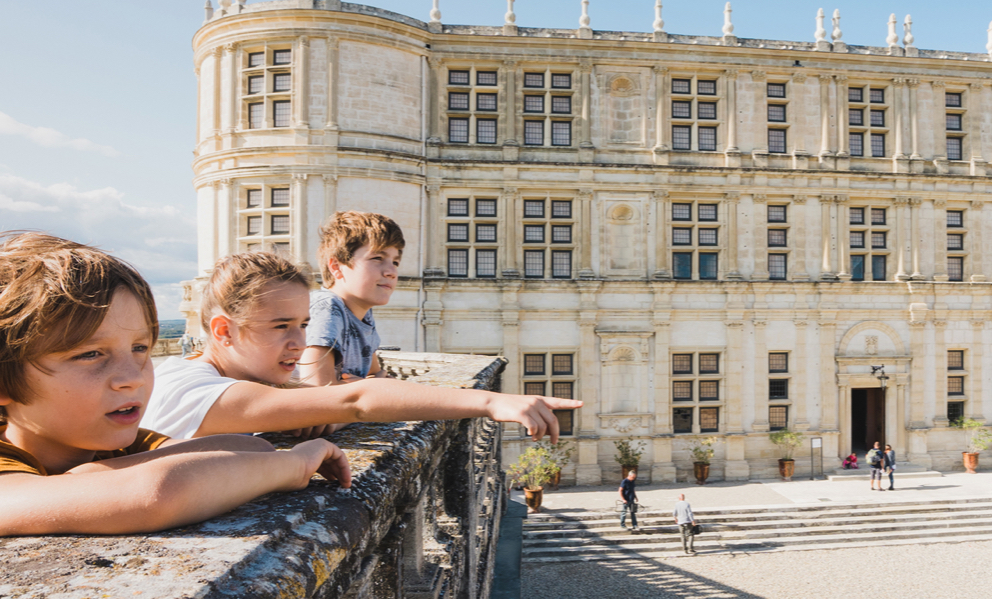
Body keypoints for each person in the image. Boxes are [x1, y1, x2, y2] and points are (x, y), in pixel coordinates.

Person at [0, 232, 351, 537]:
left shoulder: (115, 446)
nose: (134, 376)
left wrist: (92, 473)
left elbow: (245, 450)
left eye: (139, 349)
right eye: (90, 354)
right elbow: (158, 494)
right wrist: (295, 466)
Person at [142, 252, 580, 441]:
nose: (299, 343)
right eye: (280, 326)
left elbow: (335, 398)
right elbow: (355, 398)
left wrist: (313, 411)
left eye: (303, 324)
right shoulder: (190, 387)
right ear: (223, 331)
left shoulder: (248, 380)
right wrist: (490, 402)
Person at [298, 212, 398, 388]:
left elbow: (375, 374)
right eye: (377, 258)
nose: (391, 271)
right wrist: (371, 387)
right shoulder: (327, 307)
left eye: (395, 262)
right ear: (336, 267)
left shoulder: (363, 314)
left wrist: (372, 384)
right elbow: (316, 390)